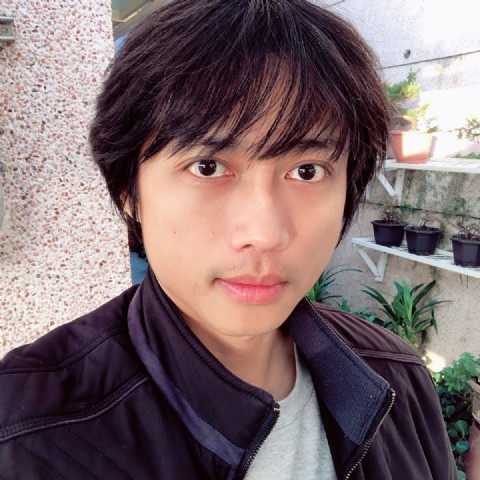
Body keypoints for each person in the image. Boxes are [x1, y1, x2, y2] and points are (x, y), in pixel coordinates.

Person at [0, 1, 457, 478]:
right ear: (128, 191)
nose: (264, 234)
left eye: (307, 171)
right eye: (208, 166)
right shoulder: (25, 437)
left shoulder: (399, 380)